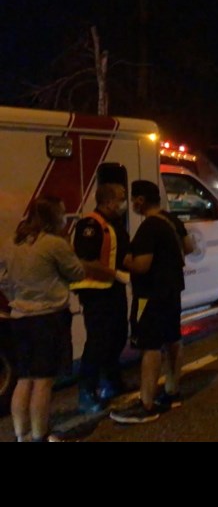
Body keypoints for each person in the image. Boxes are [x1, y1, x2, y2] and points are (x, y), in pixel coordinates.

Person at [0, 195, 115, 441]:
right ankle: (41, 434)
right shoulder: (54, 243)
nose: (65, 216)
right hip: (48, 319)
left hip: (19, 317)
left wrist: (16, 295)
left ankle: (22, 435)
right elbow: (75, 273)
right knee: (43, 381)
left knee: (24, 379)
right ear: (53, 217)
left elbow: (2, 278)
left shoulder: (11, 242)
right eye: (62, 212)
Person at [110, 180, 194, 424]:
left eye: (133, 199)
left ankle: (146, 403)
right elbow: (188, 247)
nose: (131, 204)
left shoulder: (148, 227)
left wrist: (125, 261)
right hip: (172, 291)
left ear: (140, 201)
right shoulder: (171, 220)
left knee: (151, 347)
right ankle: (172, 390)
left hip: (150, 296)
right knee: (173, 339)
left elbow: (142, 265)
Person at [71, 183, 132, 414]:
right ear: (108, 202)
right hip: (95, 292)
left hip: (112, 289)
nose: (124, 202)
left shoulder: (114, 224)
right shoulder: (90, 224)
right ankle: (87, 392)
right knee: (97, 341)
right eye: (121, 198)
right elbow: (86, 261)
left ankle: (112, 382)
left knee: (117, 336)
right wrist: (114, 273)